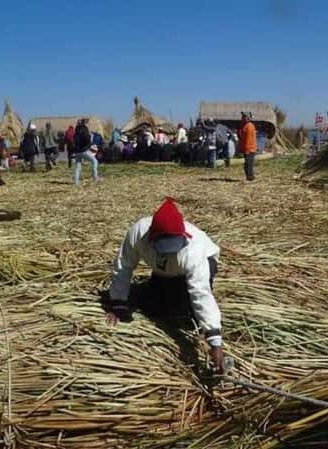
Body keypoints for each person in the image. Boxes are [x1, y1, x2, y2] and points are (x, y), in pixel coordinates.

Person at [106, 198, 225, 373]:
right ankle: (158, 290)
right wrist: (117, 303)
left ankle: (176, 299)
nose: (169, 252)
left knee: (184, 318)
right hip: (162, 270)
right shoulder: (138, 233)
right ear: (152, 237)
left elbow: (200, 293)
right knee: (155, 309)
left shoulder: (193, 250)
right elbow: (124, 265)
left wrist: (215, 343)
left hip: (203, 263)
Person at [72, 119, 98, 185]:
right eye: (88, 123)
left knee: (78, 166)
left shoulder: (76, 130)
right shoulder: (84, 129)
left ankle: (76, 181)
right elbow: (86, 138)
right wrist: (89, 141)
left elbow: (74, 140)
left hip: (77, 151)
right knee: (94, 161)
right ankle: (95, 178)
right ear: (85, 123)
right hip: (83, 150)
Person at [239, 112, 257, 181]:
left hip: (250, 149)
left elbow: (249, 140)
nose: (242, 118)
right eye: (242, 116)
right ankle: (249, 177)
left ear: (248, 118)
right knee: (247, 165)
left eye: (244, 117)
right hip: (247, 149)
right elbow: (242, 138)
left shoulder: (249, 126)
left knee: (248, 165)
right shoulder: (245, 126)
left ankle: (250, 178)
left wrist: (246, 150)